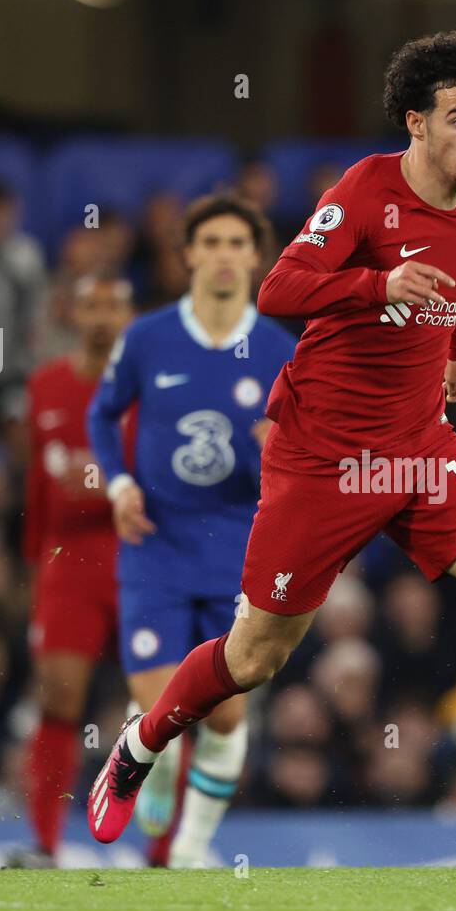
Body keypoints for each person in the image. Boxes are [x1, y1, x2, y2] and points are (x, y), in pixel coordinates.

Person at [87, 28, 456, 856]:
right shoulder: (365, 190)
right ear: (416, 124)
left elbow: (453, 281)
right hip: (324, 458)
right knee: (253, 658)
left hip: (422, 453)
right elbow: (281, 285)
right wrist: (374, 283)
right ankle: (142, 745)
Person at [88, 195, 296, 867]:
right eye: (211, 242)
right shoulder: (147, 337)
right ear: (188, 256)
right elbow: (102, 415)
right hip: (155, 546)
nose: (225, 255)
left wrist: (282, 449)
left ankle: (191, 848)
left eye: (239, 243)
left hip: (239, 550)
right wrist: (118, 484)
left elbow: (312, 452)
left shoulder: (279, 350)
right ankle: (160, 766)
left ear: (257, 257)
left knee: (228, 715)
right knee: (163, 712)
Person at [14, 273, 133, 865]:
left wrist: (87, 483)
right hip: (68, 566)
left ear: (129, 314)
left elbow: (153, 482)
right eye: (90, 306)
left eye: (112, 304)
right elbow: (41, 488)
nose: (102, 317)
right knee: (58, 699)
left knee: (162, 708)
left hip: (140, 559)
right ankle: (44, 843)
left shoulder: (151, 387)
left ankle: (165, 847)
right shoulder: (46, 386)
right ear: (71, 314)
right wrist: (33, 564)